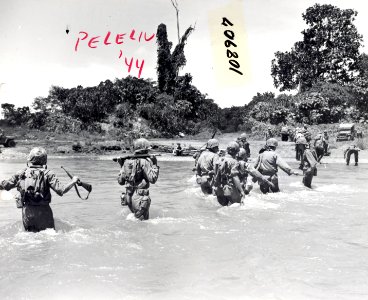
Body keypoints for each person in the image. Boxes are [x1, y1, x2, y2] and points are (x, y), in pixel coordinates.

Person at [0, 147, 80, 232]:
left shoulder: (21, 174)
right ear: (45, 160)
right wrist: (73, 181)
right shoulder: (49, 174)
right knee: (49, 237)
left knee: (30, 238)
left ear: (30, 158)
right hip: (44, 212)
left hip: (28, 212)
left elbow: (4, 185)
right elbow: (61, 190)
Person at [118, 138, 159, 220]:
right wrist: (154, 164)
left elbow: (121, 181)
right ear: (144, 150)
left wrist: (121, 165)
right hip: (140, 198)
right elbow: (153, 179)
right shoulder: (144, 162)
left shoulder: (126, 162)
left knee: (135, 220)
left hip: (129, 197)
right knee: (143, 223)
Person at [213, 142, 246, 206]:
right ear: (236, 152)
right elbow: (235, 177)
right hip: (230, 189)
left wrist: (215, 187)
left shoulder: (219, 160)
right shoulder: (234, 162)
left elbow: (216, 175)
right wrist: (241, 191)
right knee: (237, 207)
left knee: (222, 208)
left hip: (220, 189)